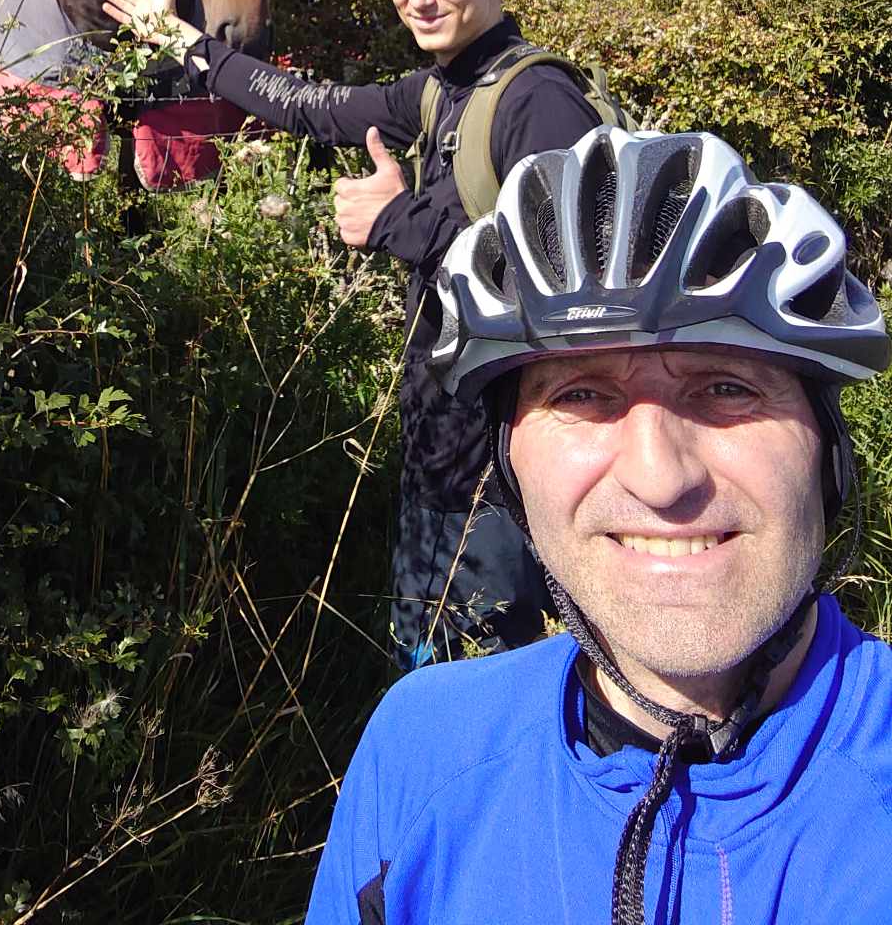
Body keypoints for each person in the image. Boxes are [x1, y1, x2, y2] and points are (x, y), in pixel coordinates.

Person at [305, 125, 892, 925]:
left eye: (727, 388)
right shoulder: (423, 748)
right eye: (580, 394)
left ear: (827, 455)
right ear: (510, 467)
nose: (660, 477)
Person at [103, 0, 601, 665]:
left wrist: (399, 221)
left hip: (505, 464)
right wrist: (186, 44)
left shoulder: (537, 102)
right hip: (441, 442)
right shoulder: (441, 89)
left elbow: (566, 285)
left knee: (477, 672)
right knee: (429, 653)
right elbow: (317, 108)